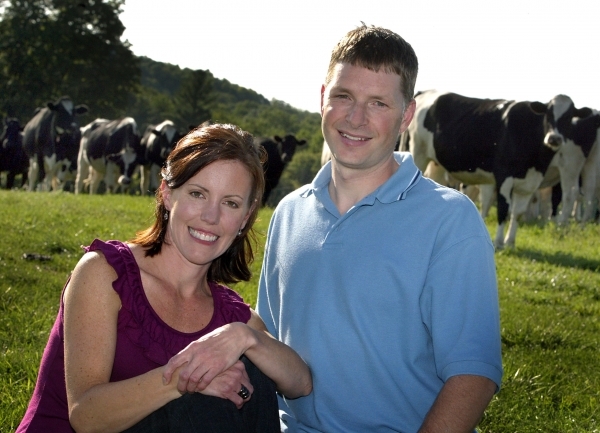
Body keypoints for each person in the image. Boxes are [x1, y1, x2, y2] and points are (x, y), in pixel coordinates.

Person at [256, 25, 503, 432]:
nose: (356, 118)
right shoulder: (289, 211)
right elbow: (267, 330)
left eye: (378, 103)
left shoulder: (449, 220)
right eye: (343, 97)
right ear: (322, 98)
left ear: (407, 115)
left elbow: (473, 376)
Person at [17, 123, 312, 433]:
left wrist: (247, 336)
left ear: (245, 218)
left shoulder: (228, 314)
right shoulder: (104, 274)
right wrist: (188, 378)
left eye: (230, 203)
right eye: (198, 194)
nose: (210, 217)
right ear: (167, 194)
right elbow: (86, 416)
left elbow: (300, 383)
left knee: (254, 372)